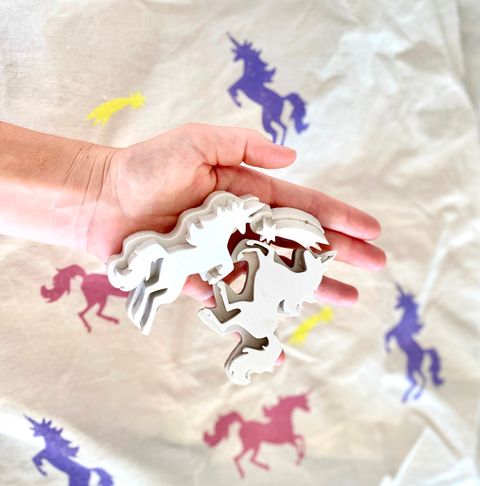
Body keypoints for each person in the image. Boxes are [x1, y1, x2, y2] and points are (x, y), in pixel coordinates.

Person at [0, 121, 386, 307]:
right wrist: (101, 186)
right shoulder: (210, 232)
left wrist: (99, 186)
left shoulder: (216, 231)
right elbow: (220, 259)